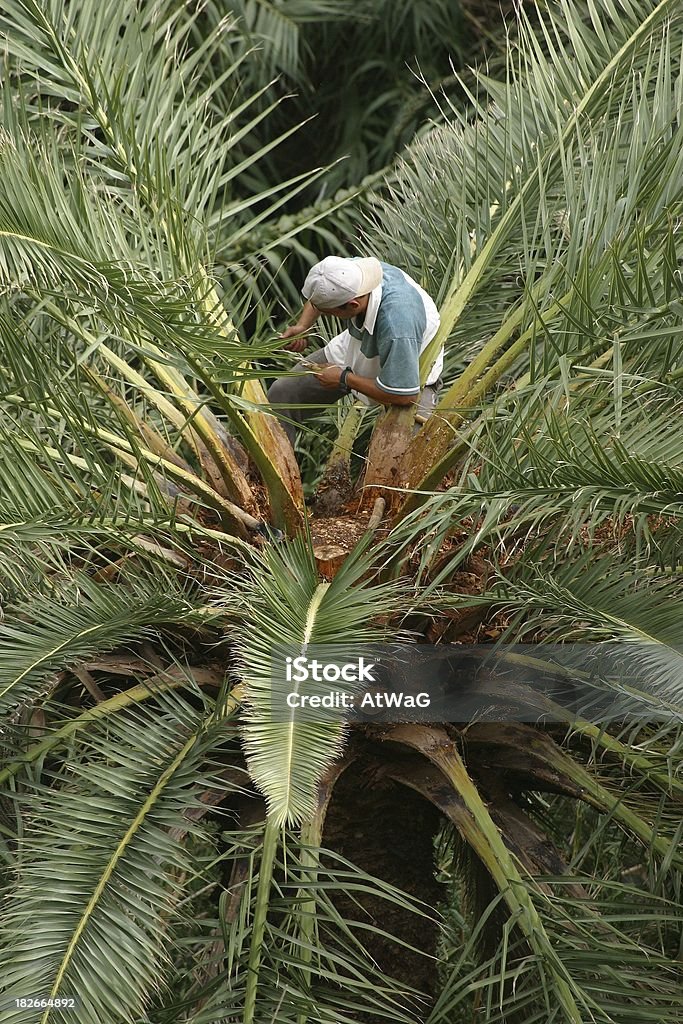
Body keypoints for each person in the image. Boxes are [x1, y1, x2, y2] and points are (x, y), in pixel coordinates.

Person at [267, 255, 443, 444]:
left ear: (352, 305)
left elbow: (404, 395)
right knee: (282, 393)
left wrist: (343, 378)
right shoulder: (348, 273)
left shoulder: (398, 324)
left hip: (409, 364)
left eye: (328, 312)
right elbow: (318, 298)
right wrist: (303, 326)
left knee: (410, 453)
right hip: (359, 344)